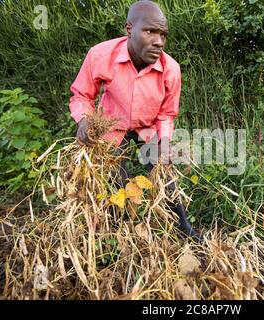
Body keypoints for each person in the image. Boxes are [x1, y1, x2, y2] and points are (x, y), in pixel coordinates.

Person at [69, 0, 202, 241]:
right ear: (129, 29)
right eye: (150, 31)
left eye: (163, 34)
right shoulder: (100, 55)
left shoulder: (170, 69)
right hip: (112, 124)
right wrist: (84, 121)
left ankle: (183, 228)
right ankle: (117, 234)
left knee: (165, 177)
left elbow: (167, 114)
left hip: (147, 126)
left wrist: (165, 141)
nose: (159, 41)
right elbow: (82, 95)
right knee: (114, 180)